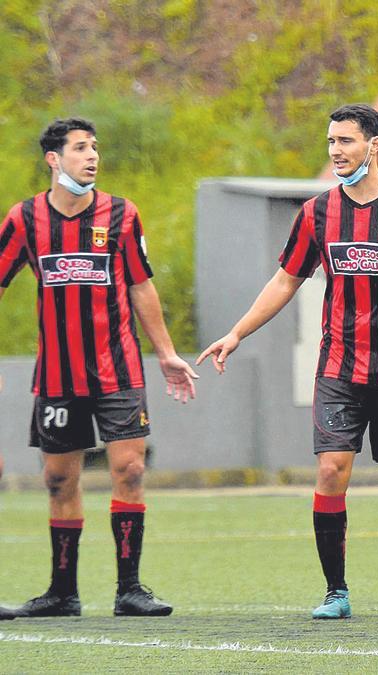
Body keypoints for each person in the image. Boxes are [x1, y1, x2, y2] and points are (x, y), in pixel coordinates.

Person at [197, 104, 378, 620]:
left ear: (374, 144)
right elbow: (285, 280)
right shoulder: (317, 212)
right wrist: (237, 332)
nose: (336, 151)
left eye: (347, 141)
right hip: (339, 368)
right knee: (332, 470)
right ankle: (336, 591)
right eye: (331, 141)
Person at [0, 118, 197, 619]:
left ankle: (129, 589)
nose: (92, 157)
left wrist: (168, 354)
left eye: (95, 148)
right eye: (81, 148)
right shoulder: (24, 219)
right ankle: (61, 593)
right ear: (53, 159)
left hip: (119, 372)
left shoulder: (122, 214)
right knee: (57, 481)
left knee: (129, 470)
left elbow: (141, 286)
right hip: (58, 377)